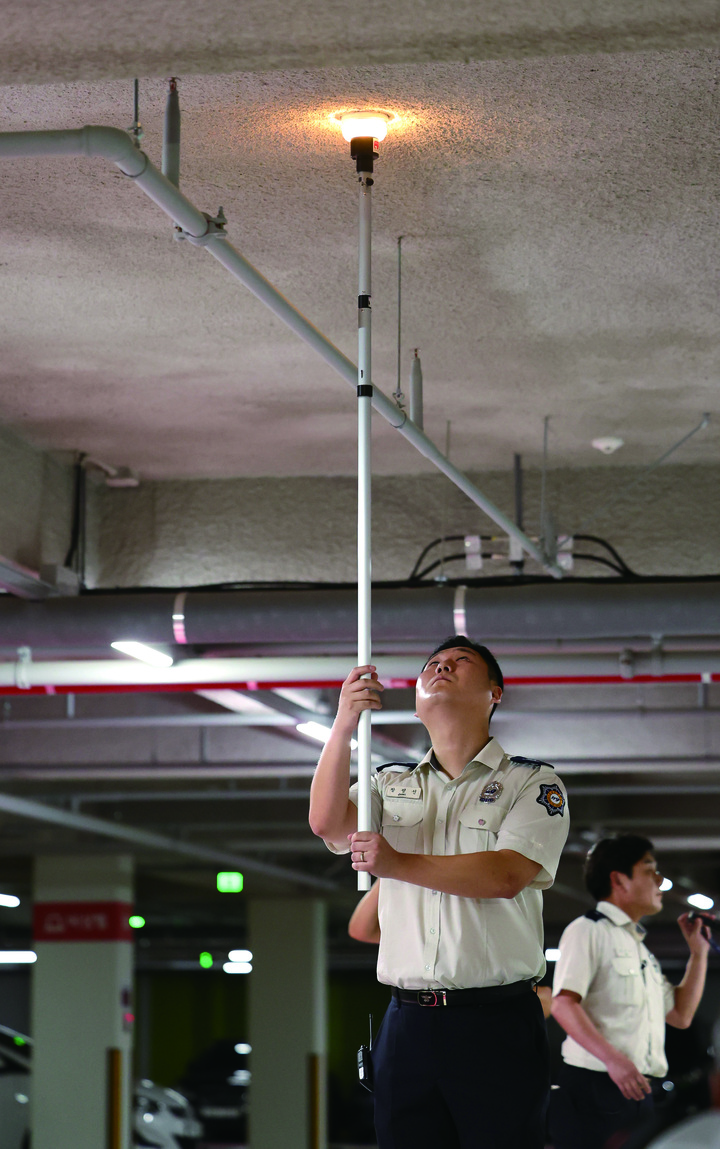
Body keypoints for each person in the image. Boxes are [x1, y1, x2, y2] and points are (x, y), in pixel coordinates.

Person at [309, 634, 570, 1149]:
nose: (441, 668)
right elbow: (327, 824)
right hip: (408, 1023)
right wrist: (343, 726)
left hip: (495, 1022)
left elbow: (505, 875)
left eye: (459, 662)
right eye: (432, 664)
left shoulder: (532, 782)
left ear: (495, 692)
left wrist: (398, 862)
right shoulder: (387, 783)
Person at [550, 834, 710, 1149]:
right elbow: (563, 1004)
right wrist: (614, 1060)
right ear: (619, 880)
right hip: (596, 1087)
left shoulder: (639, 949)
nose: (660, 882)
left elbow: (680, 1015)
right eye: (651, 871)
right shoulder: (588, 930)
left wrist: (699, 954)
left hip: (635, 1089)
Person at [349, 879, 553, 1019]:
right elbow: (361, 929)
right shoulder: (415, 909)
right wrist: (391, 867)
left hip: (485, 1005)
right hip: (414, 1011)